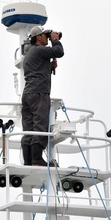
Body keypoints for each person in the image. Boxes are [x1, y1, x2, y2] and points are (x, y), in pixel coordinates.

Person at [21, 26, 64, 166]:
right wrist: (55, 40)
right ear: (38, 37)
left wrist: (49, 67)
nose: (47, 37)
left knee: (29, 128)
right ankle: (37, 159)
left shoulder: (30, 53)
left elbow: (36, 70)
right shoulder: (39, 50)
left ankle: (29, 160)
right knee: (40, 125)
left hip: (28, 94)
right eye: (45, 35)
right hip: (39, 93)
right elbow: (59, 52)